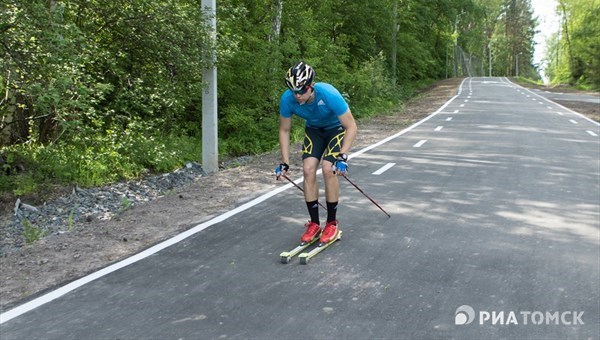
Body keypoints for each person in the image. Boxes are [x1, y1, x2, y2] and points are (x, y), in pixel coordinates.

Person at [275, 62, 358, 245]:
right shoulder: (287, 99)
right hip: (314, 131)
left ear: (311, 85)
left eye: (302, 90)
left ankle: (331, 223)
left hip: (335, 129)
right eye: (293, 90)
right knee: (307, 169)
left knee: (328, 169)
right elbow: (284, 130)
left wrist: (343, 156)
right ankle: (314, 223)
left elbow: (351, 126)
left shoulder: (328, 94)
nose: (297, 95)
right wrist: (285, 162)